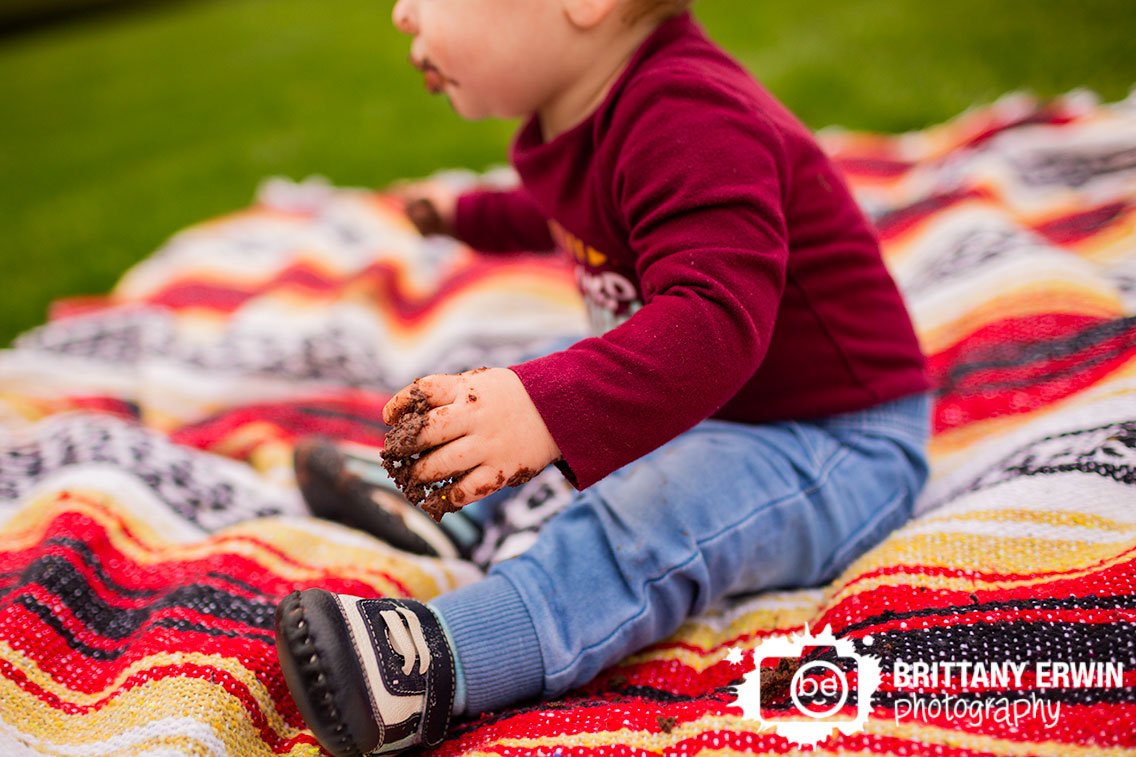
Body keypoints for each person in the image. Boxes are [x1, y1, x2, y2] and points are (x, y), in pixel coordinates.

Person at [274, 0, 933, 753]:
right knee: (558, 367)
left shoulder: (692, 114)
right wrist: (467, 216)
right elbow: (566, 206)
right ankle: (460, 507)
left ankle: (434, 662)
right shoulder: (589, 109)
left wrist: (542, 406)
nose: (401, 14)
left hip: (832, 436)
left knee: (652, 508)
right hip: (717, 397)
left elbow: (715, 320)